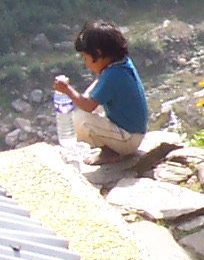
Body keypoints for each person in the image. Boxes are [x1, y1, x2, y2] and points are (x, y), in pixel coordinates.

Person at [53, 20, 148, 164]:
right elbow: (97, 88)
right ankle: (111, 148)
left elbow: (88, 106)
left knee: (79, 120)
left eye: (86, 58)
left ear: (98, 53)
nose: (85, 63)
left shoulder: (112, 75)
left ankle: (111, 151)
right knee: (93, 109)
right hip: (134, 133)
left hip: (128, 139)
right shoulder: (121, 64)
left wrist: (67, 90)